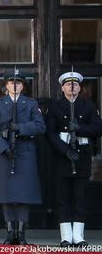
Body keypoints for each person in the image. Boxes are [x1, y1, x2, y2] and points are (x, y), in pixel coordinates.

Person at [0, 68, 45, 245]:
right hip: (5, 152)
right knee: (7, 194)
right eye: (11, 82)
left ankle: (21, 232)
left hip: (25, 151)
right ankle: (10, 231)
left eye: (18, 83)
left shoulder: (31, 103)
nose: (15, 85)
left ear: (23, 85)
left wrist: (21, 128)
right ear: (6, 85)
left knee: (23, 194)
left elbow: (40, 126)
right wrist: (3, 148)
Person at [46, 71, 102, 247]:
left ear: (80, 87)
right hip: (63, 157)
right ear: (62, 88)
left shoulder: (88, 106)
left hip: (82, 156)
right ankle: (65, 236)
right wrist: (64, 151)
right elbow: (50, 133)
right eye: (68, 84)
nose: (72, 87)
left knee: (80, 197)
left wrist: (80, 128)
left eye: (75, 84)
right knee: (63, 198)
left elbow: (98, 128)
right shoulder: (55, 106)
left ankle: (78, 236)